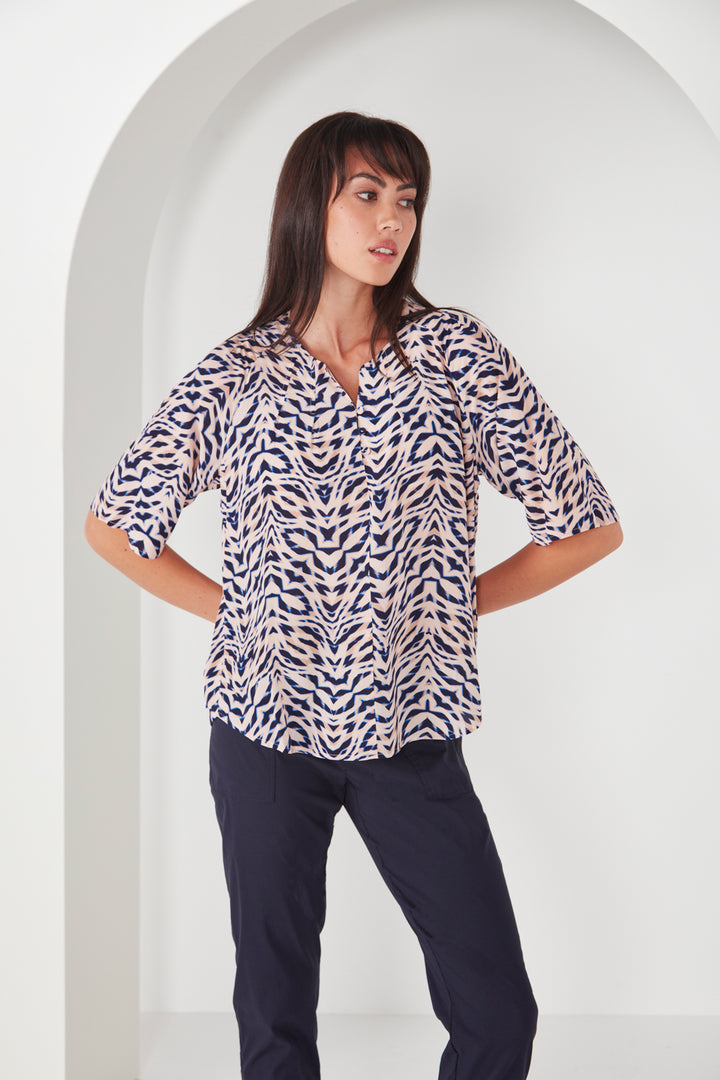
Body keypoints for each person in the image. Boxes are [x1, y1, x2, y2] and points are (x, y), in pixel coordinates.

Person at [85, 111, 622, 1080]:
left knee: (498, 1012)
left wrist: (448, 606)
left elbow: (585, 523)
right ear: (310, 206)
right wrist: (238, 614)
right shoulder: (237, 374)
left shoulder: (455, 356)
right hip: (264, 728)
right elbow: (114, 525)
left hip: (411, 729)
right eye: (367, 195)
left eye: (407, 200)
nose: (392, 221)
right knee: (274, 1018)